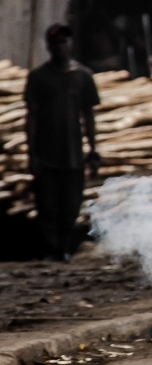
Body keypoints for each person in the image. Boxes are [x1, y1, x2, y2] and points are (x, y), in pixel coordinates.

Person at [23, 24, 101, 262]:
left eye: (64, 42)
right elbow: (32, 116)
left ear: (71, 44)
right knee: (47, 206)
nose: (60, 46)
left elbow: (88, 115)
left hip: (73, 154)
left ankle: (64, 249)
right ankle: (51, 249)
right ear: (49, 46)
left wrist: (93, 149)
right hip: (47, 154)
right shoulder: (38, 77)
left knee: (71, 205)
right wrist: (32, 153)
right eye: (56, 43)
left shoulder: (83, 76)